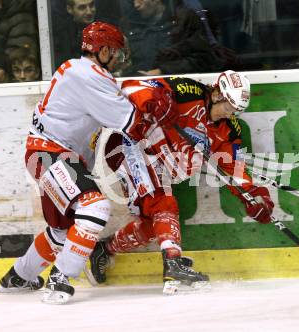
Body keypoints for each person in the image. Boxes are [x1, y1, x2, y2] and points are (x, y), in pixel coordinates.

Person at [0, 21, 177, 304]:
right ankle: (61, 277)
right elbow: (130, 122)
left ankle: (18, 276)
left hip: (52, 156)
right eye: (114, 51)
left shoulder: (78, 70)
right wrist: (154, 106)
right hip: (51, 154)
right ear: (102, 50)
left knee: (61, 233)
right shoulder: (90, 75)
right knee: (95, 206)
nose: (117, 58)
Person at [87, 70, 274, 294]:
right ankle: (173, 263)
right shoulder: (187, 92)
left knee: (154, 224)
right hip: (131, 145)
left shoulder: (228, 130)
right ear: (216, 94)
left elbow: (235, 168)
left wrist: (253, 196)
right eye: (228, 106)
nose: (230, 114)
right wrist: (155, 101)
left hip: (158, 162)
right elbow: (130, 86)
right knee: (163, 204)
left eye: (236, 110)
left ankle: (104, 248)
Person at [120, 0, 222, 76]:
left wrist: (162, 71)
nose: (136, 4)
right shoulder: (129, 24)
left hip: (176, 85)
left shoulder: (183, 20)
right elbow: (123, 60)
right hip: (136, 86)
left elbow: (203, 59)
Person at [52, 0, 97, 67]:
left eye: (91, 5)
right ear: (69, 9)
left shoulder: (104, 28)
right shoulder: (61, 35)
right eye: (82, 7)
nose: (89, 12)